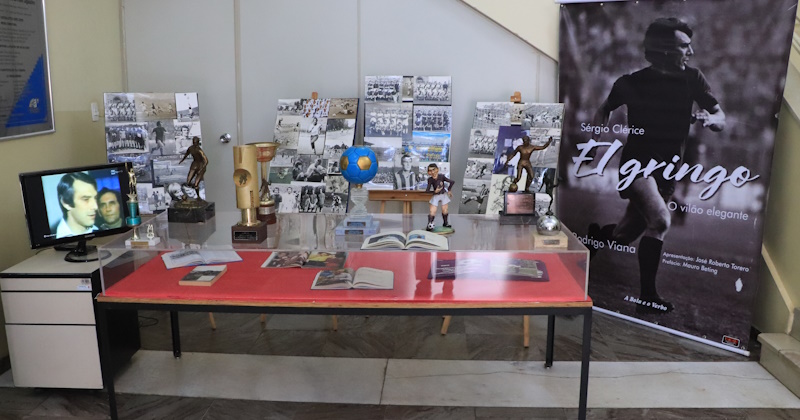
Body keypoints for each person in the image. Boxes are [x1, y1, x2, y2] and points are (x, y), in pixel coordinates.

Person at [587, 17, 726, 315]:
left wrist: (710, 119)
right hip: (637, 166)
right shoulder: (632, 82)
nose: (690, 52)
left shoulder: (693, 79)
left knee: (624, 235)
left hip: (668, 170)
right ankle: (647, 298)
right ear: (663, 49)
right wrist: (593, 141)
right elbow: (604, 109)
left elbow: (720, 118)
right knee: (661, 221)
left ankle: (594, 239)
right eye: (684, 46)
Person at [55, 172, 99, 238]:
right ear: (66, 203)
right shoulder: (52, 237)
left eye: (95, 198)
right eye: (86, 199)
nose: (95, 207)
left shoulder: (102, 231)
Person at [425, 163, 455, 231]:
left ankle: (445, 223)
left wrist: (449, 190)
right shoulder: (430, 179)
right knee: (432, 210)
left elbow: (452, 182)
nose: (433, 172)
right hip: (436, 195)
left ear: (437, 170)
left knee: (445, 210)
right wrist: (434, 192)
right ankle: (430, 224)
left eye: (434, 170)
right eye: (430, 170)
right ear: (429, 172)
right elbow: (427, 191)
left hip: (443, 194)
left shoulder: (441, 176)